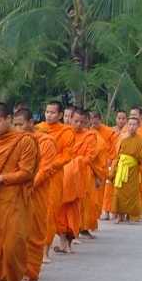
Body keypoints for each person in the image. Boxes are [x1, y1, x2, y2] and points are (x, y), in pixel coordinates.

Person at [0, 103, 39, 281]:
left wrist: (2, 178)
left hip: (15, 199)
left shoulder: (25, 141)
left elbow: (27, 172)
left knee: (13, 245)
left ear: (8, 119)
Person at [18, 107, 57, 281]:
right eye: (15, 124)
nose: (17, 128)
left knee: (34, 232)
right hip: (16, 192)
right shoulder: (15, 140)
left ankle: (31, 272)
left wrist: (28, 183)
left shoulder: (45, 141)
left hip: (36, 192)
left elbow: (46, 168)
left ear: (31, 123)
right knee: (16, 233)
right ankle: (14, 271)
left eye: (21, 124)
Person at [36, 101, 75, 259]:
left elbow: (67, 156)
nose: (49, 115)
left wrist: (50, 165)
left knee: (50, 212)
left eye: (53, 112)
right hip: (37, 175)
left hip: (54, 176)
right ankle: (35, 250)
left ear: (60, 115)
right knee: (36, 213)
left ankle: (45, 251)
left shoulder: (66, 132)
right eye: (47, 112)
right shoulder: (38, 129)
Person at [56, 108, 97, 252]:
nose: (78, 124)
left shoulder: (90, 136)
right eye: (76, 121)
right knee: (60, 210)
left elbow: (90, 156)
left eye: (82, 122)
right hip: (63, 176)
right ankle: (62, 242)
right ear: (70, 119)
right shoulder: (64, 134)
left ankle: (69, 241)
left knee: (74, 211)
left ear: (86, 122)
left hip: (79, 177)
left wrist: (77, 161)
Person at [111, 117, 142, 223]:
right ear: (127, 125)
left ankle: (130, 214)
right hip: (121, 167)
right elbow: (116, 153)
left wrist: (138, 161)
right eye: (130, 124)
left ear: (138, 127)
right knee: (118, 192)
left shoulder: (141, 141)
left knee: (132, 192)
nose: (132, 127)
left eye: (134, 125)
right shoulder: (122, 138)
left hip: (133, 169)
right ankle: (119, 215)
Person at [102, 110, 128, 219]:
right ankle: (107, 211)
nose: (121, 121)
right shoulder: (111, 131)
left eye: (123, 118)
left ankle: (119, 212)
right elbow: (107, 147)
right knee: (108, 187)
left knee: (121, 188)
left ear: (126, 120)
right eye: (119, 118)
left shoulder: (128, 132)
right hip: (111, 161)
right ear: (116, 119)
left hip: (123, 162)